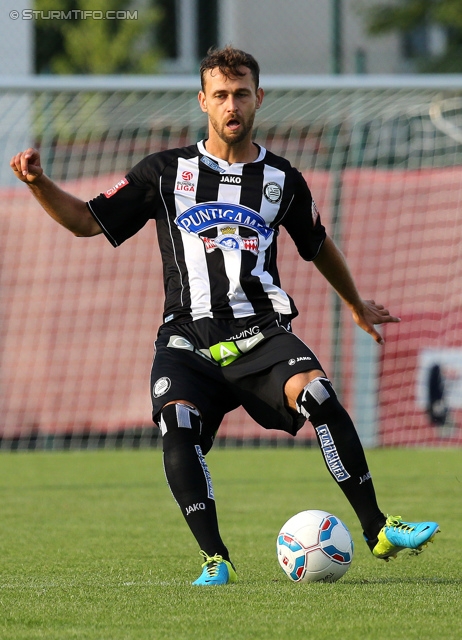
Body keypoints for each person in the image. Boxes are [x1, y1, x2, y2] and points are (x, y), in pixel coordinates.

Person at [11, 45, 439, 586]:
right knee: (177, 424)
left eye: (241, 93)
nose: (231, 104)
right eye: (220, 95)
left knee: (321, 395)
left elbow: (318, 244)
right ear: (203, 102)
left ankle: (378, 528)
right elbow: (86, 221)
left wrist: (354, 303)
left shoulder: (282, 179)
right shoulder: (165, 172)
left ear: (258, 98)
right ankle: (216, 558)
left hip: (261, 332)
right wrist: (38, 184)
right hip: (187, 336)